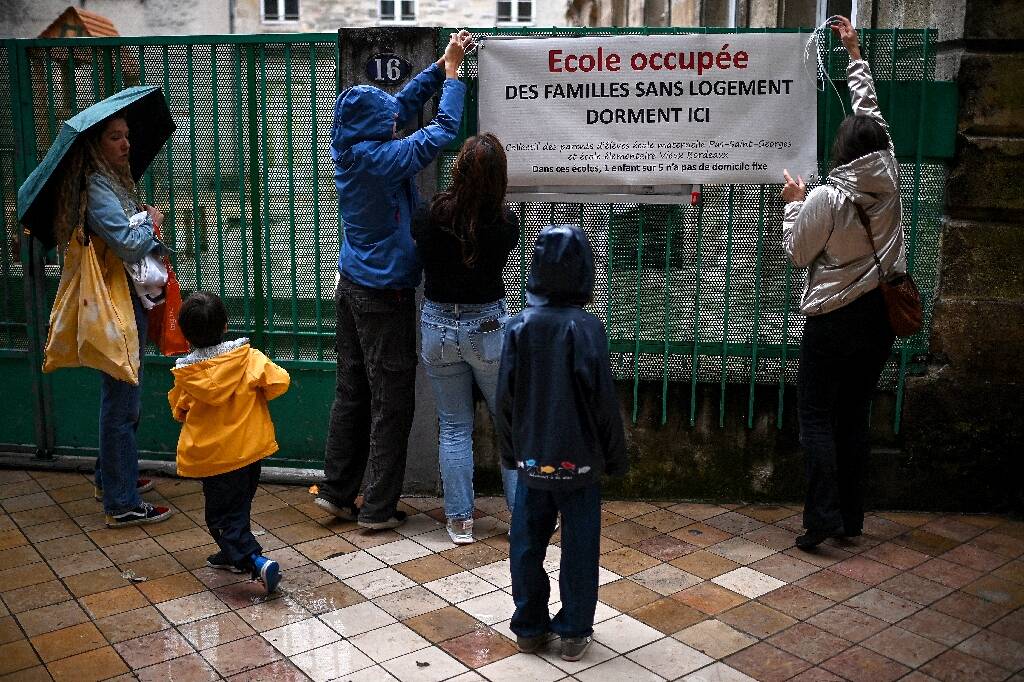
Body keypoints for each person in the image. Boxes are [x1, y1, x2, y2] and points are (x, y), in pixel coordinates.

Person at [315, 30, 474, 530]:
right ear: (376, 128)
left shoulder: (352, 142)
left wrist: (439, 64)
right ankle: (378, 508)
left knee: (353, 391)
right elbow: (443, 130)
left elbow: (402, 107)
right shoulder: (379, 160)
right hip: (383, 296)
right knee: (392, 400)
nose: (395, 120)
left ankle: (338, 492)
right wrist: (453, 78)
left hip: (353, 286)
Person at [781, 16, 904, 549]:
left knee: (815, 414)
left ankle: (821, 517)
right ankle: (850, 518)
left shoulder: (827, 198)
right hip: (878, 316)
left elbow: (796, 253)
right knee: (854, 413)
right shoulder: (892, 171)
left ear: (841, 150)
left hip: (832, 319)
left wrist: (791, 208)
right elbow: (868, 113)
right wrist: (853, 53)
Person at [497, 225, 628, 662]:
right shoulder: (588, 329)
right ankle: (573, 631)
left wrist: (509, 454)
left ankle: (529, 627)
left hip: (533, 461)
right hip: (582, 462)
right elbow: (604, 403)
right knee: (580, 545)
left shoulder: (519, 329)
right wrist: (615, 457)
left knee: (527, 542)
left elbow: (506, 400)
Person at [51, 114, 172, 528]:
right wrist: (152, 225)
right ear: (96, 145)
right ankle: (122, 501)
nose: (125, 145)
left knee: (120, 395)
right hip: (115, 298)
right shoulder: (100, 186)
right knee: (123, 400)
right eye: (114, 138)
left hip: (121, 294)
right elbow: (126, 244)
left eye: (126, 135)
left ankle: (112, 476)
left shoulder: (111, 182)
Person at [412, 133, 520, 545]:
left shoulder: (429, 215)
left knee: (454, 427)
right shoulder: (505, 224)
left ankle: (459, 522)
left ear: (456, 169)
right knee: (507, 425)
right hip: (487, 330)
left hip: (438, 327)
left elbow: (420, 254)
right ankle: (521, 519)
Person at [168, 292, 291, 594]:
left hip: (216, 460)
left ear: (185, 335)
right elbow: (280, 381)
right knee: (239, 505)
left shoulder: (188, 376)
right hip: (250, 451)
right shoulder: (249, 359)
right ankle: (231, 553)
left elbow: (179, 410)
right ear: (225, 325)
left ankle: (254, 561)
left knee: (221, 516)